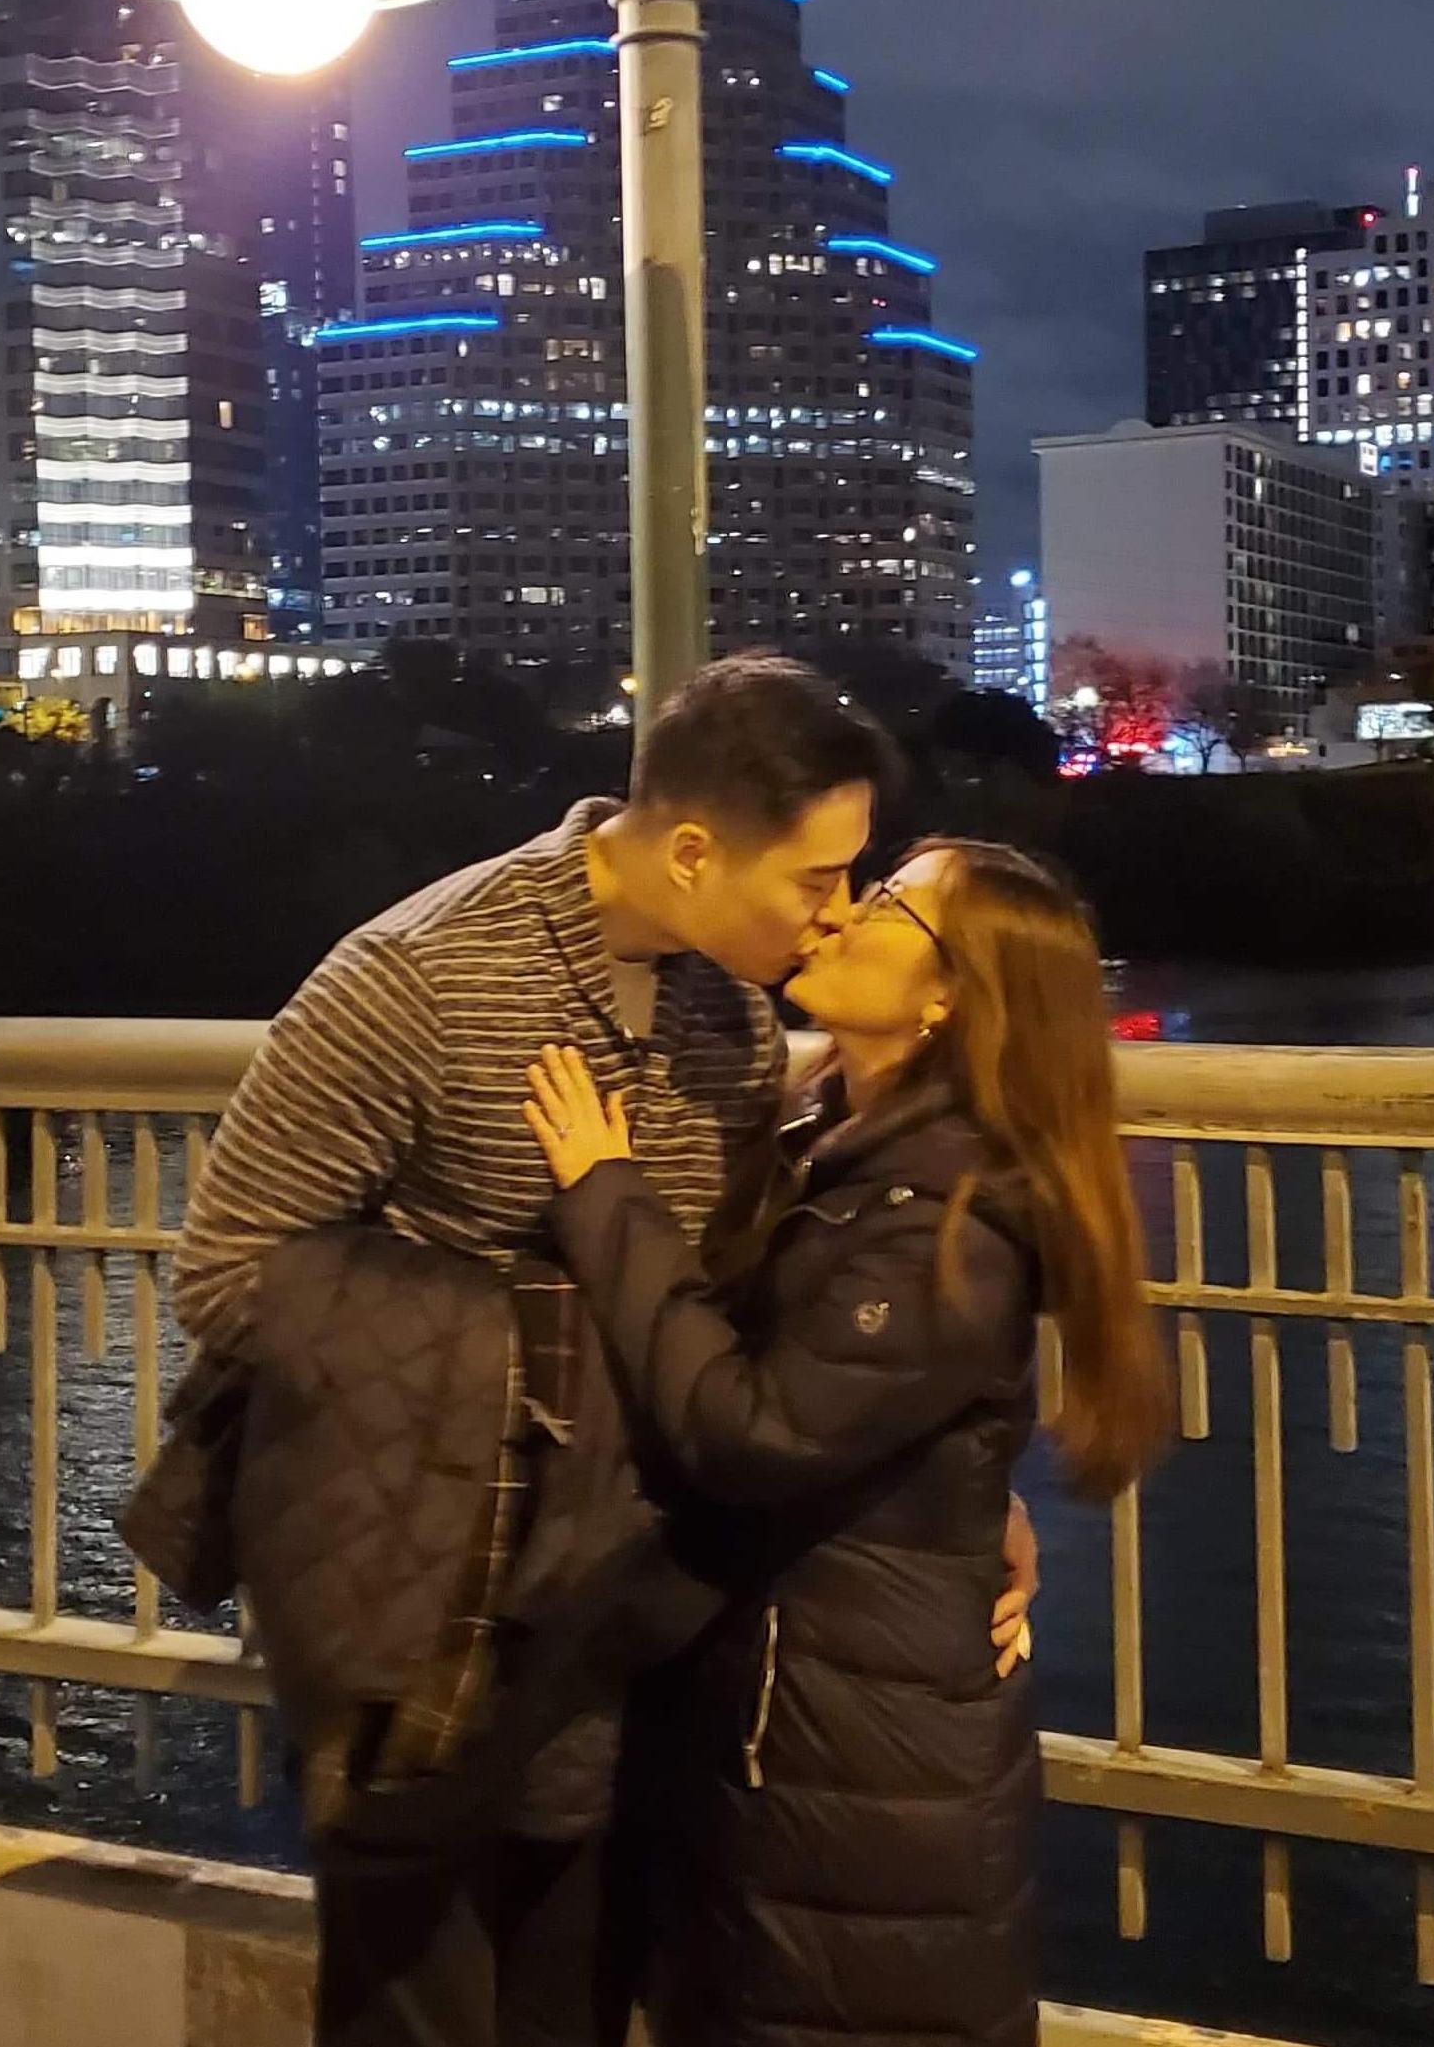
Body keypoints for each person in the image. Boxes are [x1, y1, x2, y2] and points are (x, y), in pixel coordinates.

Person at [168, 654, 1036, 2047]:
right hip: (425, 1620)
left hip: (626, 1631)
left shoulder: (730, 1014)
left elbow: (739, 1316)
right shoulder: (415, 979)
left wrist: (944, 1483)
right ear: (692, 852)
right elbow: (227, 1270)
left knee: (573, 1999)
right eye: (814, 879)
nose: (835, 913)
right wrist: (543, 1370)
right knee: (416, 2005)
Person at [525, 836, 1162, 2047]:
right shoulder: (831, 1138)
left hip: (853, 1764)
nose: (837, 915)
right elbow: (860, 1407)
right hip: (794, 1725)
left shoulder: (947, 1217)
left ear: (949, 995)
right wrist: (970, 1496)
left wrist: (605, 1192)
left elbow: (755, 1428)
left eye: (887, 908)